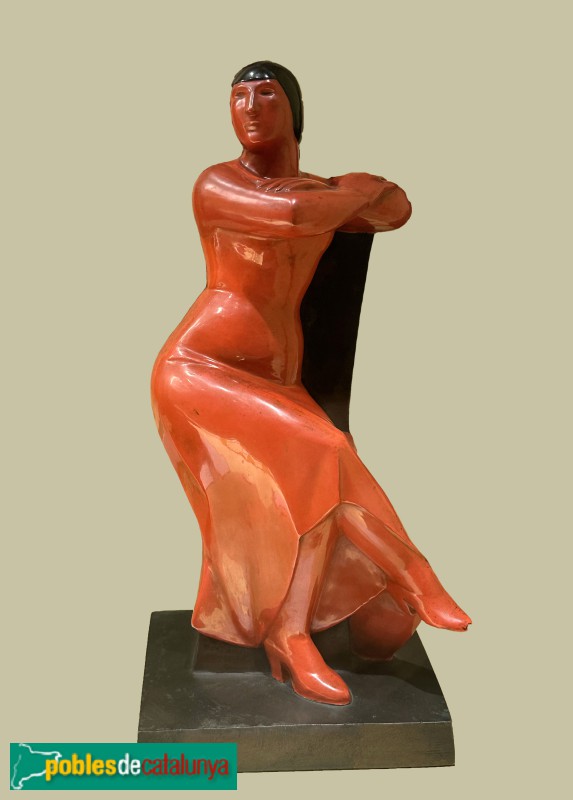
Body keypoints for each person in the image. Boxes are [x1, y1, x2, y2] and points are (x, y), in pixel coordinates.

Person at [151, 61, 471, 706]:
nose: (249, 107)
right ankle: (414, 574)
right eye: (238, 95)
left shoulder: (316, 190)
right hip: (199, 370)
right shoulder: (217, 184)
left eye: (266, 94)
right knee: (327, 452)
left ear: (294, 110)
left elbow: (397, 207)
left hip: (278, 380)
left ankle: (291, 635)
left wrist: (340, 193)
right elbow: (297, 214)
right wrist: (349, 190)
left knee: (314, 491)